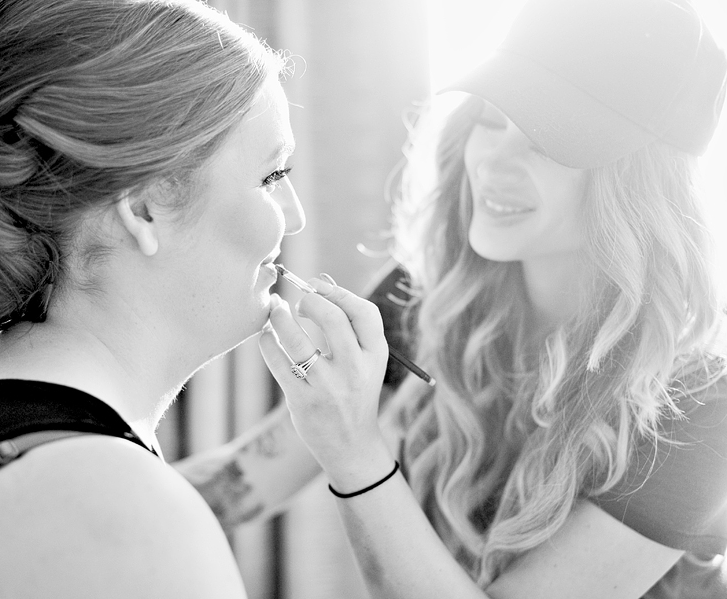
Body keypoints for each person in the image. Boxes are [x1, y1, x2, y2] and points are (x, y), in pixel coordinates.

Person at [178, 0, 727, 597]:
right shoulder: (430, 295)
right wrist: (83, 462)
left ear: (639, 182)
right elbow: (243, 482)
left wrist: (355, 455)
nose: (493, 162)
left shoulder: (701, 409)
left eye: (547, 140)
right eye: (490, 121)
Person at [0, 0, 305, 597]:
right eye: (271, 177)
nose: (293, 218)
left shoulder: (22, 429)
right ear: (142, 207)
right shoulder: (118, 516)